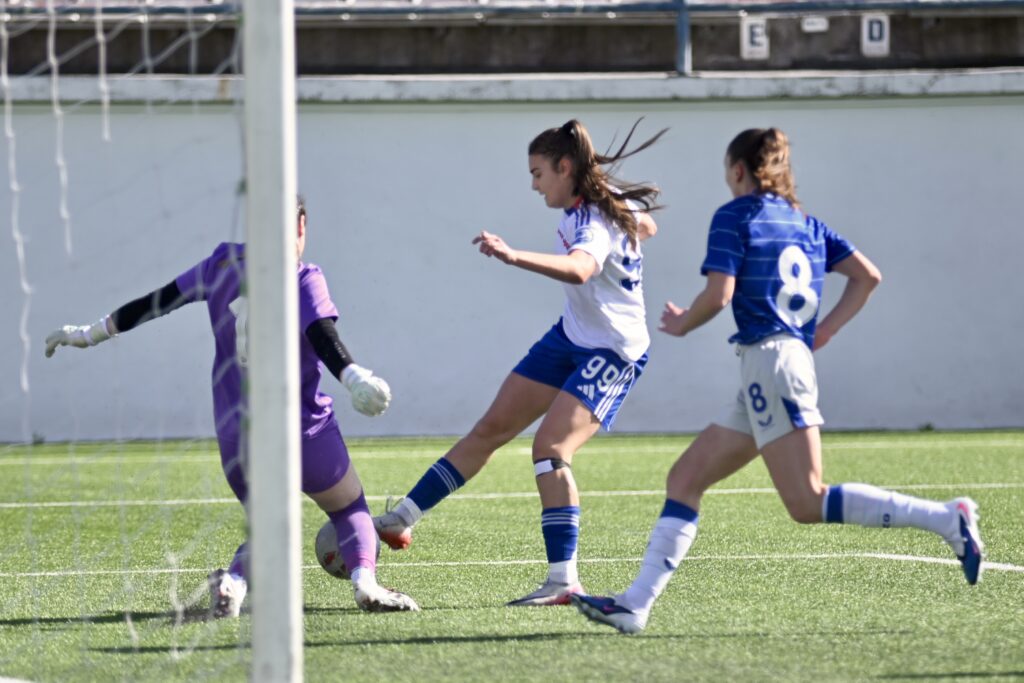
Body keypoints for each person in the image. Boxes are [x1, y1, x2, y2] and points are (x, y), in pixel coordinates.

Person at [572, 127, 985, 634]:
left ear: (738, 170)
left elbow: (719, 295)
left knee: (806, 501)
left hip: (771, 362)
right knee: (685, 479)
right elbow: (867, 276)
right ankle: (635, 604)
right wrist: (824, 331)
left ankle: (947, 518)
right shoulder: (807, 223)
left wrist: (682, 322)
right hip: (772, 364)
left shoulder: (734, 216)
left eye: (727, 171)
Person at [44, 196, 419, 617]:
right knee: (349, 508)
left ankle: (235, 583)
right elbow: (322, 335)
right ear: (300, 226)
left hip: (238, 438)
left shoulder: (219, 265)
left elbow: (156, 302)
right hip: (303, 431)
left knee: (269, 530)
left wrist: (86, 334)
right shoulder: (303, 277)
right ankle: (366, 584)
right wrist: (355, 377)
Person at [373, 119, 666, 606]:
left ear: (564, 167)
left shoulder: (593, 219)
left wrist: (512, 256)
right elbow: (647, 225)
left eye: (537, 174)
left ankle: (563, 581)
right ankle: (401, 518)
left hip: (613, 351)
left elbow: (581, 269)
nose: (533, 185)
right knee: (491, 428)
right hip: (571, 336)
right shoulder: (601, 204)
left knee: (550, 449)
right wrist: (629, 231)